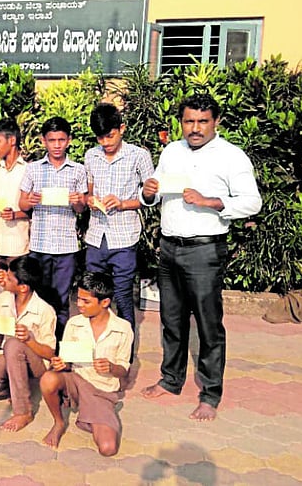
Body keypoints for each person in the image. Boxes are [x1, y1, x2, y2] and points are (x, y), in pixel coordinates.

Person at [139, 94, 262, 422]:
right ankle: (171, 379)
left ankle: (210, 394)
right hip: (168, 247)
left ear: (216, 122)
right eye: (189, 121)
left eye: (202, 121)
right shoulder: (171, 151)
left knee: (208, 325)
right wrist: (148, 194)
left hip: (205, 250)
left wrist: (212, 202)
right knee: (171, 319)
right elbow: (154, 193)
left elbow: (253, 202)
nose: (195, 129)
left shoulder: (231, 157)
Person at [40, 272, 133, 456]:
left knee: (108, 448)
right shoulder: (74, 323)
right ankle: (59, 422)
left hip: (101, 391)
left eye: (86, 301)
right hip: (75, 380)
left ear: (104, 302)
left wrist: (111, 368)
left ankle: (91, 412)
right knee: (48, 379)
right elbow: (67, 362)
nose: (79, 305)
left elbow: (123, 371)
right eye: (78, 299)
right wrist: (60, 364)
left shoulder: (123, 328)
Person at [83, 103, 155, 330]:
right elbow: (89, 190)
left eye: (110, 136)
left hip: (124, 239)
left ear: (122, 129)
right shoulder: (91, 155)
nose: (105, 143)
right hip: (95, 237)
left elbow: (152, 196)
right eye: (100, 138)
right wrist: (90, 201)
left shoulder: (139, 156)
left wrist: (123, 204)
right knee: (93, 296)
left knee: (123, 296)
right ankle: (96, 347)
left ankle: (124, 356)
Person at [18, 116, 87, 339]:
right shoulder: (33, 169)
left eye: (61, 140)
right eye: (52, 140)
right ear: (43, 141)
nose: (57, 145)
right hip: (39, 243)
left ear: (69, 141)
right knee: (37, 296)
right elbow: (22, 203)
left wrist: (78, 200)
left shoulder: (78, 170)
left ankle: (58, 345)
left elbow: (80, 209)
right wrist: (31, 200)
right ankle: (38, 343)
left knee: (61, 299)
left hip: (65, 245)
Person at [0, 256, 56, 432]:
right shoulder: (4, 299)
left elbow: (50, 353)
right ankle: (16, 386)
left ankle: (23, 411)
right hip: (6, 355)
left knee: (13, 344)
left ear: (23, 287)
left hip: (36, 364)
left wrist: (29, 340)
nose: (5, 279)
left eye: (10, 278)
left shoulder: (45, 311)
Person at [0, 119, 30, 259]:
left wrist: (15, 214)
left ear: (12, 140)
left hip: (20, 245)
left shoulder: (29, 171)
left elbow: (36, 209)